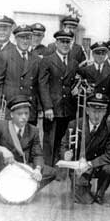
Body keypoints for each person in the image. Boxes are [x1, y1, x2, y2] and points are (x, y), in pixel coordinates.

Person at [0, 95, 58, 205]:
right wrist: (2, 149)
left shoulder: (33, 130)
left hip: (21, 167)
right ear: (11, 115)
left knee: (52, 173)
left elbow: (38, 154)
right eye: (19, 114)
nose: (24, 117)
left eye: (26, 113)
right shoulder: (1, 125)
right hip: (3, 166)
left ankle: (28, 191)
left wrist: (38, 169)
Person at [59, 93, 110, 204]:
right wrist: (65, 154)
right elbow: (64, 144)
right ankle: (83, 188)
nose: (97, 116)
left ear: (105, 112)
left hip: (96, 164)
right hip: (79, 167)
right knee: (85, 201)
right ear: (87, 110)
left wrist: (91, 164)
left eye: (100, 112)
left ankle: (100, 194)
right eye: (94, 111)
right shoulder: (75, 124)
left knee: (109, 168)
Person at [39, 29, 79, 166]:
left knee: (64, 141)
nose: (65, 45)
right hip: (53, 109)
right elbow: (43, 86)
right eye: (62, 41)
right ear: (56, 43)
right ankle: (48, 170)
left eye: (68, 42)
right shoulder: (47, 61)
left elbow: (74, 83)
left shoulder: (74, 63)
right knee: (50, 141)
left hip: (68, 109)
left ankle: (61, 171)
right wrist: (47, 107)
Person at [0, 24, 41, 124]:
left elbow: (38, 86)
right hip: (10, 109)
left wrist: (39, 109)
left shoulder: (36, 59)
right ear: (16, 39)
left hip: (29, 109)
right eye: (22, 38)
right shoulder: (5, 56)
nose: (25, 41)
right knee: (10, 138)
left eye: (28, 38)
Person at [76, 41, 110, 119]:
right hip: (89, 109)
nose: (100, 56)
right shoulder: (85, 70)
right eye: (98, 53)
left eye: (103, 54)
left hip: (103, 108)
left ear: (106, 55)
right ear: (93, 54)